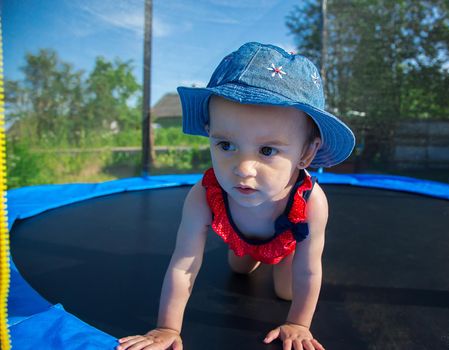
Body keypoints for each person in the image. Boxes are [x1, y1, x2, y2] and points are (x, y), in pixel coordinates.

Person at [116, 42, 355, 350]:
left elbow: (309, 268)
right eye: (226, 145)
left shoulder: (311, 201)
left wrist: (298, 323)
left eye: (267, 150)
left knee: (286, 291)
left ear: (306, 153)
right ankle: (253, 258)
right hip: (240, 243)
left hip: (285, 247)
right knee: (239, 268)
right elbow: (183, 264)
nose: (243, 169)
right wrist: (166, 327)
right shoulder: (203, 195)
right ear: (209, 133)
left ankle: (275, 263)